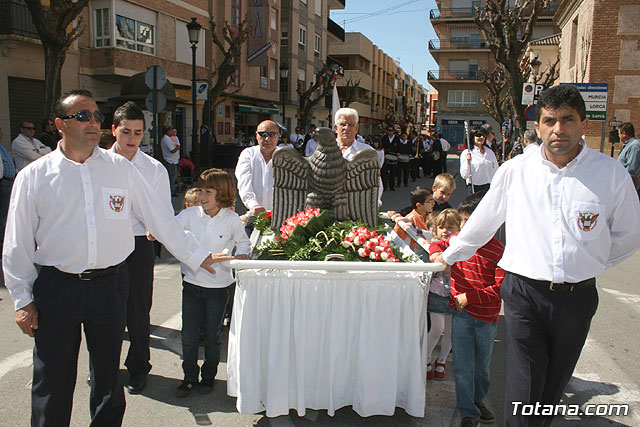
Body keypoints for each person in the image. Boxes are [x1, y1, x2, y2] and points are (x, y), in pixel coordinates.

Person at [3, 89, 231, 427]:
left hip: (110, 285)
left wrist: (197, 256)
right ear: (59, 125)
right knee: (52, 377)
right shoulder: (34, 177)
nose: (93, 122)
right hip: (57, 287)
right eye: (82, 116)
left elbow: (160, 219)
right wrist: (22, 298)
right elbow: (17, 241)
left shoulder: (121, 170)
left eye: (95, 115)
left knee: (109, 376)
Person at [433, 84, 640, 426]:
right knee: (523, 391)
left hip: (578, 298)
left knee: (551, 392)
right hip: (524, 294)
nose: (559, 129)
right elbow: (484, 222)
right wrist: (450, 255)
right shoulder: (517, 171)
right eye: (550, 121)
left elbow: (629, 234)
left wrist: (588, 262)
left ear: (582, 124)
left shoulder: (610, 173)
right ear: (539, 126)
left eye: (567, 120)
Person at [109, 101, 171, 394]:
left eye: (138, 132)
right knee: (103, 312)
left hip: (138, 245)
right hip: (104, 247)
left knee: (137, 310)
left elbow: (161, 211)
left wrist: (153, 229)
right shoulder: (95, 164)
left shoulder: (154, 169)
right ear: (113, 131)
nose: (132, 139)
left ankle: (138, 367)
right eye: (125, 132)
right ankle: (104, 368)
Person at [430, 192, 505, 427]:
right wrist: (434, 252)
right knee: (462, 366)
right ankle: (468, 412)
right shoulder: (459, 242)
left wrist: (470, 296)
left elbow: (500, 288)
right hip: (461, 315)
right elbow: (438, 244)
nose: (462, 227)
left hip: (486, 319)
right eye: (462, 221)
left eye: (467, 221)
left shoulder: (499, 251)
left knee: (481, 368)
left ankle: (477, 399)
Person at [174, 168, 250, 397]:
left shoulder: (232, 219)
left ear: (223, 194)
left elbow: (243, 243)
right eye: (200, 190)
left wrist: (242, 256)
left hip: (219, 288)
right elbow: (171, 231)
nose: (202, 196)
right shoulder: (189, 215)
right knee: (189, 334)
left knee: (213, 335)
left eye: (208, 191)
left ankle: (208, 377)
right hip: (191, 285)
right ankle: (188, 376)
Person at [425, 209, 460, 381]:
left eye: (450, 227)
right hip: (438, 292)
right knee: (437, 329)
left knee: (451, 331)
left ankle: (442, 361)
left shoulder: (462, 247)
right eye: (441, 227)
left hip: (455, 294)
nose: (445, 231)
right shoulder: (437, 244)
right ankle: (425, 358)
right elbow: (437, 258)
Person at [235, 120, 281, 218]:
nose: (267, 138)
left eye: (272, 134)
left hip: (281, 216)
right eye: (263, 134)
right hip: (254, 216)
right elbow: (244, 183)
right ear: (256, 135)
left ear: (278, 136)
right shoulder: (248, 154)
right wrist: (253, 205)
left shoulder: (286, 156)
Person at [388, 186, 435, 254]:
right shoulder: (408, 220)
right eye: (430, 201)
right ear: (419, 205)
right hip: (414, 256)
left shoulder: (431, 217)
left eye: (433, 200)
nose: (433, 203)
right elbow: (396, 239)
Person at [460, 127, 499, 194]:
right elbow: (464, 175)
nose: (481, 137)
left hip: (488, 187)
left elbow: (496, 169)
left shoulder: (489, 152)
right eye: (478, 135)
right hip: (474, 187)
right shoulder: (467, 153)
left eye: (483, 135)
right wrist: (468, 162)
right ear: (473, 137)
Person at [0, 127, 15, 246]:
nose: (2, 133)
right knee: (3, 213)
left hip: (8, 182)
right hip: (2, 182)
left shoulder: (2, 147)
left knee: (6, 212)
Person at [617, 122, 640, 196]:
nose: (619, 136)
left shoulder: (634, 145)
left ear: (624, 134)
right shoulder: (628, 145)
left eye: (619, 133)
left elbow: (632, 168)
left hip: (629, 181)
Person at [161, 127, 180, 195]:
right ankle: (171, 191)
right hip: (170, 160)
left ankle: (172, 190)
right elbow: (172, 150)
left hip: (173, 160)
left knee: (173, 176)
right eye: (171, 130)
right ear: (168, 131)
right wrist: (177, 147)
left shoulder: (170, 138)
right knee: (171, 177)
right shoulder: (166, 139)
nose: (172, 132)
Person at [381, 127, 400, 191]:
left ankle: (392, 186)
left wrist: (398, 152)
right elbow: (382, 145)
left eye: (390, 130)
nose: (389, 132)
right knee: (384, 173)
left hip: (394, 156)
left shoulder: (397, 139)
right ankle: (385, 186)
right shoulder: (384, 138)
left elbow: (399, 147)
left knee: (392, 173)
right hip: (386, 156)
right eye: (388, 130)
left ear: (393, 131)